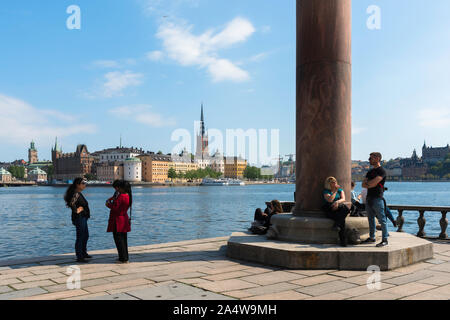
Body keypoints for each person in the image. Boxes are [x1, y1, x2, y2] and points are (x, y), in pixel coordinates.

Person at [362, 152, 389, 247]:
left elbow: (371, 184)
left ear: (377, 158)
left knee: (382, 219)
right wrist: (370, 183)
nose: (369, 160)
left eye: (371, 158)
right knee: (370, 219)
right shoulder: (370, 172)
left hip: (378, 198)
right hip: (369, 197)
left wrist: (368, 183)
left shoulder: (382, 171)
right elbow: (363, 184)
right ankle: (372, 237)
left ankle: (385, 239)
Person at [64, 177, 91, 263]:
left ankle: (83, 252)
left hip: (83, 218)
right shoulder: (76, 194)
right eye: (83, 183)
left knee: (85, 235)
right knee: (81, 236)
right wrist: (77, 210)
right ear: (77, 184)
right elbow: (71, 203)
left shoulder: (78, 193)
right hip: (79, 218)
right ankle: (79, 256)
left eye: (85, 183)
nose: (85, 185)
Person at [106, 180, 132, 263]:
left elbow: (115, 208)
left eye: (118, 188)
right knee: (124, 240)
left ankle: (123, 258)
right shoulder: (128, 195)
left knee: (118, 240)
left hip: (118, 220)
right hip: (123, 219)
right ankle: (125, 257)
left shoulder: (121, 196)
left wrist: (108, 205)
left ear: (122, 188)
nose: (117, 189)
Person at [322, 176, 350, 247]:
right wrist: (334, 191)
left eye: (335, 182)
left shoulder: (340, 190)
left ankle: (336, 225)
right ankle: (343, 242)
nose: (334, 183)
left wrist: (337, 202)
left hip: (338, 207)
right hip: (329, 208)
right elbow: (330, 200)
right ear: (329, 184)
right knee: (342, 221)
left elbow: (343, 199)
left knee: (346, 209)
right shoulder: (326, 191)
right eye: (332, 182)